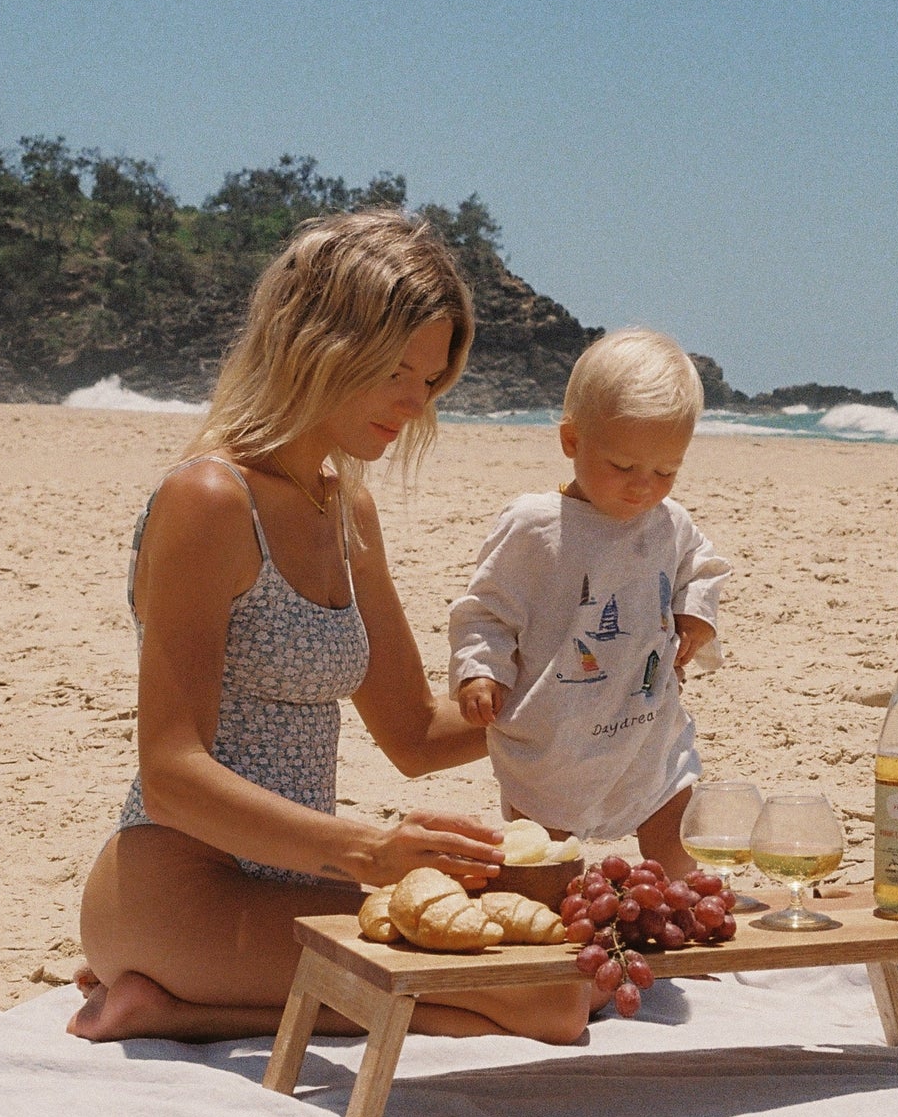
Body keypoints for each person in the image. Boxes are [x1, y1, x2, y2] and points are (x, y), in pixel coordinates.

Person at [69, 210, 592, 1046]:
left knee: (560, 977)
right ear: (315, 343)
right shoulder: (207, 499)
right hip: (183, 889)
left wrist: (576, 683)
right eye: (394, 370)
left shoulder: (344, 506)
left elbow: (415, 732)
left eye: (430, 379)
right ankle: (173, 988)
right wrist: (370, 849)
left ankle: (175, 1008)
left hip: (296, 881)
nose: (414, 402)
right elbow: (169, 773)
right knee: (547, 1002)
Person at [449, 328, 731, 875]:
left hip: (646, 727)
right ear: (571, 441)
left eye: (665, 471)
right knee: (544, 864)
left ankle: (682, 926)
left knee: (678, 844)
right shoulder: (535, 525)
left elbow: (702, 564)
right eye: (623, 467)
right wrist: (479, 670)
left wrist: (696, 612)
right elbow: (485, 610)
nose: (642, 487)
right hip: (554, 738)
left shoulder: (669, 523)